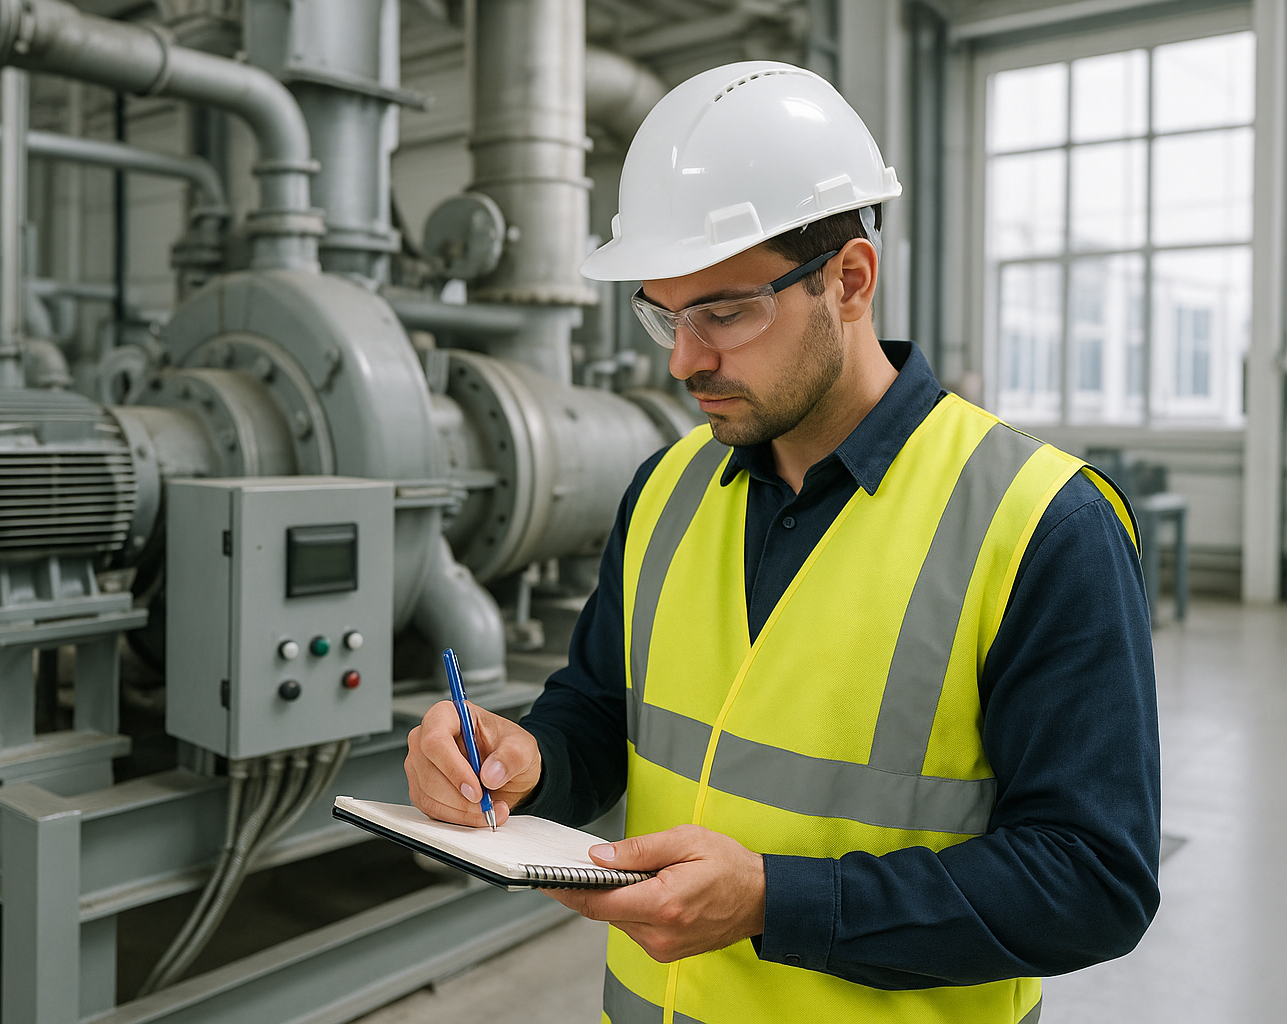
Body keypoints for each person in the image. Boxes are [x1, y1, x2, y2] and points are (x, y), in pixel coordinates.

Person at [405, 60, 1159, 1023]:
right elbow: (598, 710)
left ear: (850, 280)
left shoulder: (1042, 526)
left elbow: (1094, 880)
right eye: (663, 314)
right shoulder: (666, 490)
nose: (684, 359)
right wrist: (524, 757)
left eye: (723, 311)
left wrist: (776, 901)